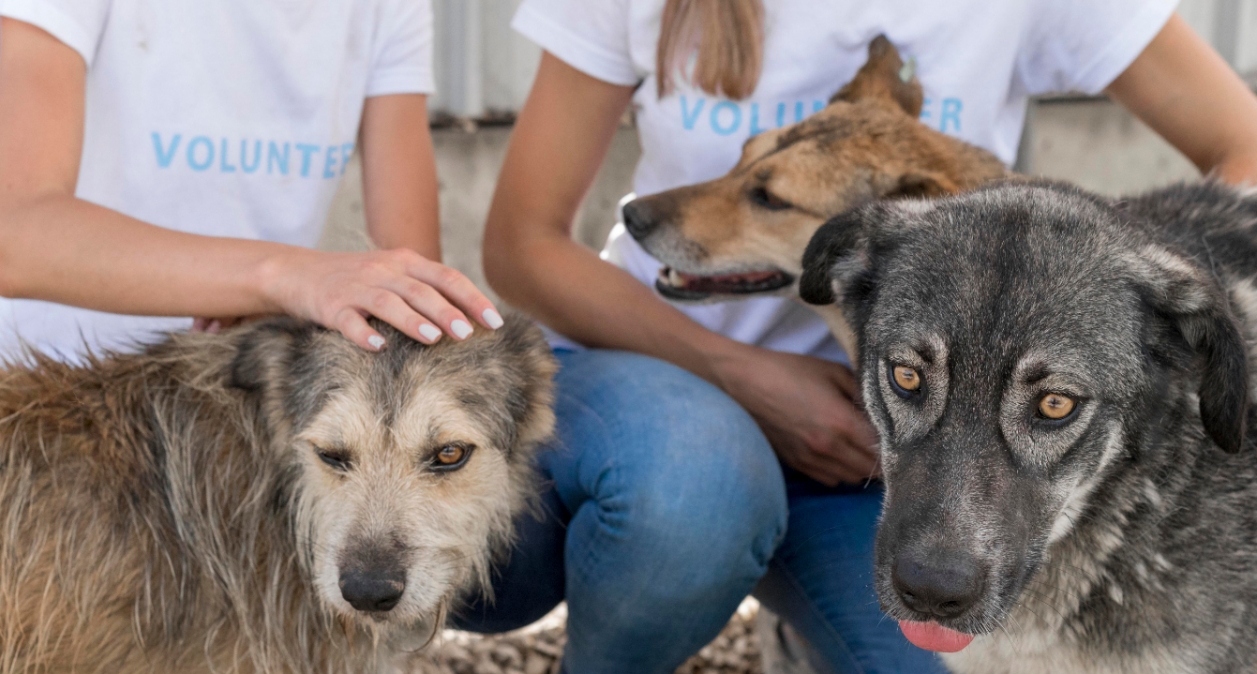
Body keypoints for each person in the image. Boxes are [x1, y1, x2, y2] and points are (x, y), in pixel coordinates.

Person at [461, 0, 1257, 673]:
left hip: (871, 452)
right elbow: (519, 243)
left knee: (946, 628)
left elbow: (1244, 145)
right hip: (670, 403)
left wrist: (1117, 291)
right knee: (689, 497)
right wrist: (746, 377)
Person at [0, 0, 502, 363]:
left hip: (236, 397)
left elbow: (406, 279)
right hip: (45, 402)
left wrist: (288, 297)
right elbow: (15, 233)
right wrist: (279, 279)